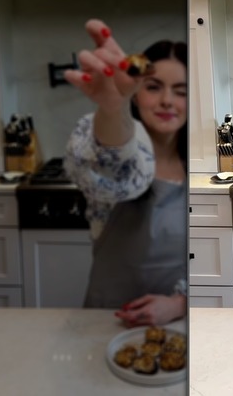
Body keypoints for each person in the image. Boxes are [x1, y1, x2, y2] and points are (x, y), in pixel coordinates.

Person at [63, 19, 188, 327]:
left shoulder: (196, 168)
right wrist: (111, 108)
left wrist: (179, 303)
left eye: (180, 91)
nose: (167, 101)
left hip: (176, 327)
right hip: (108, 319)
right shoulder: (112, 143)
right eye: (153, 87)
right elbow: (113, 164)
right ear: (135, 93)